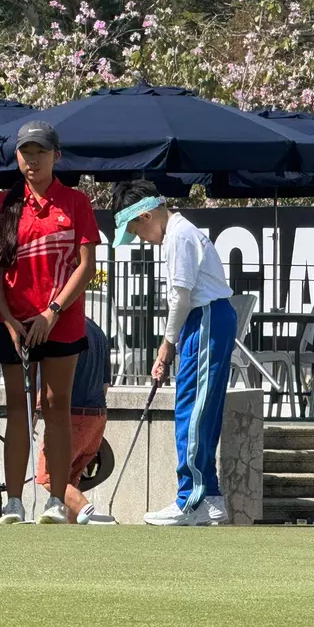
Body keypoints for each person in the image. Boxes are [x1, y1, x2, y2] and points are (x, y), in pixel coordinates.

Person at [0, 121, 100, 525]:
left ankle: (55, 501)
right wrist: (8, 318)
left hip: (60, 322)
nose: (32, 160)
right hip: (13, 323)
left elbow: (86, 266)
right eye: (25, 153)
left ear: (56, 156)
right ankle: (13, 502)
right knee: (18, 408)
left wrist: (52, 312)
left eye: (41, 152)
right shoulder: (2, 204)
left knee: (56, 405)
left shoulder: (76, 202)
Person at [112, 180, 235, 526]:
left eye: (136, 230)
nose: (140, 238)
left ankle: (189, 500)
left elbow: (180, 296)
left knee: (191, 411)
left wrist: (166, 346)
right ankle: (209, 498)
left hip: (205, 317)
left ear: (146, 216)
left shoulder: (179, 236)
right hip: (206, 320)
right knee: (200, 411)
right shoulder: (180, 233)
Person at [33, 317, 116, 525]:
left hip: (72, 415)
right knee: (70, 479)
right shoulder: (97, 331)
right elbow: (105, 384)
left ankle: (90, 514)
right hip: (97, 416)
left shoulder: (59, 328)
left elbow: (47, 381)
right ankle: (73, 527)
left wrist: (33, 415)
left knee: (49, 476)